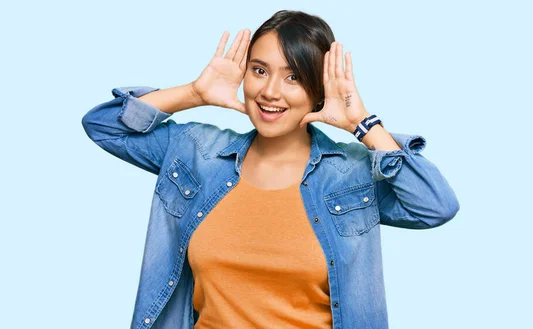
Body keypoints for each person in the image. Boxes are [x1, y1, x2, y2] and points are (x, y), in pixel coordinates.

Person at [82, 9, 459, 329]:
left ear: (318, 90)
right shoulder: (197, 151)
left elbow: (435, 205)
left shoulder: (351, 175)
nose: (270, 92)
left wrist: (361, 123)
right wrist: (194, 94)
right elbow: (104, 125)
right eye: (259, 71)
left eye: (293, 77)